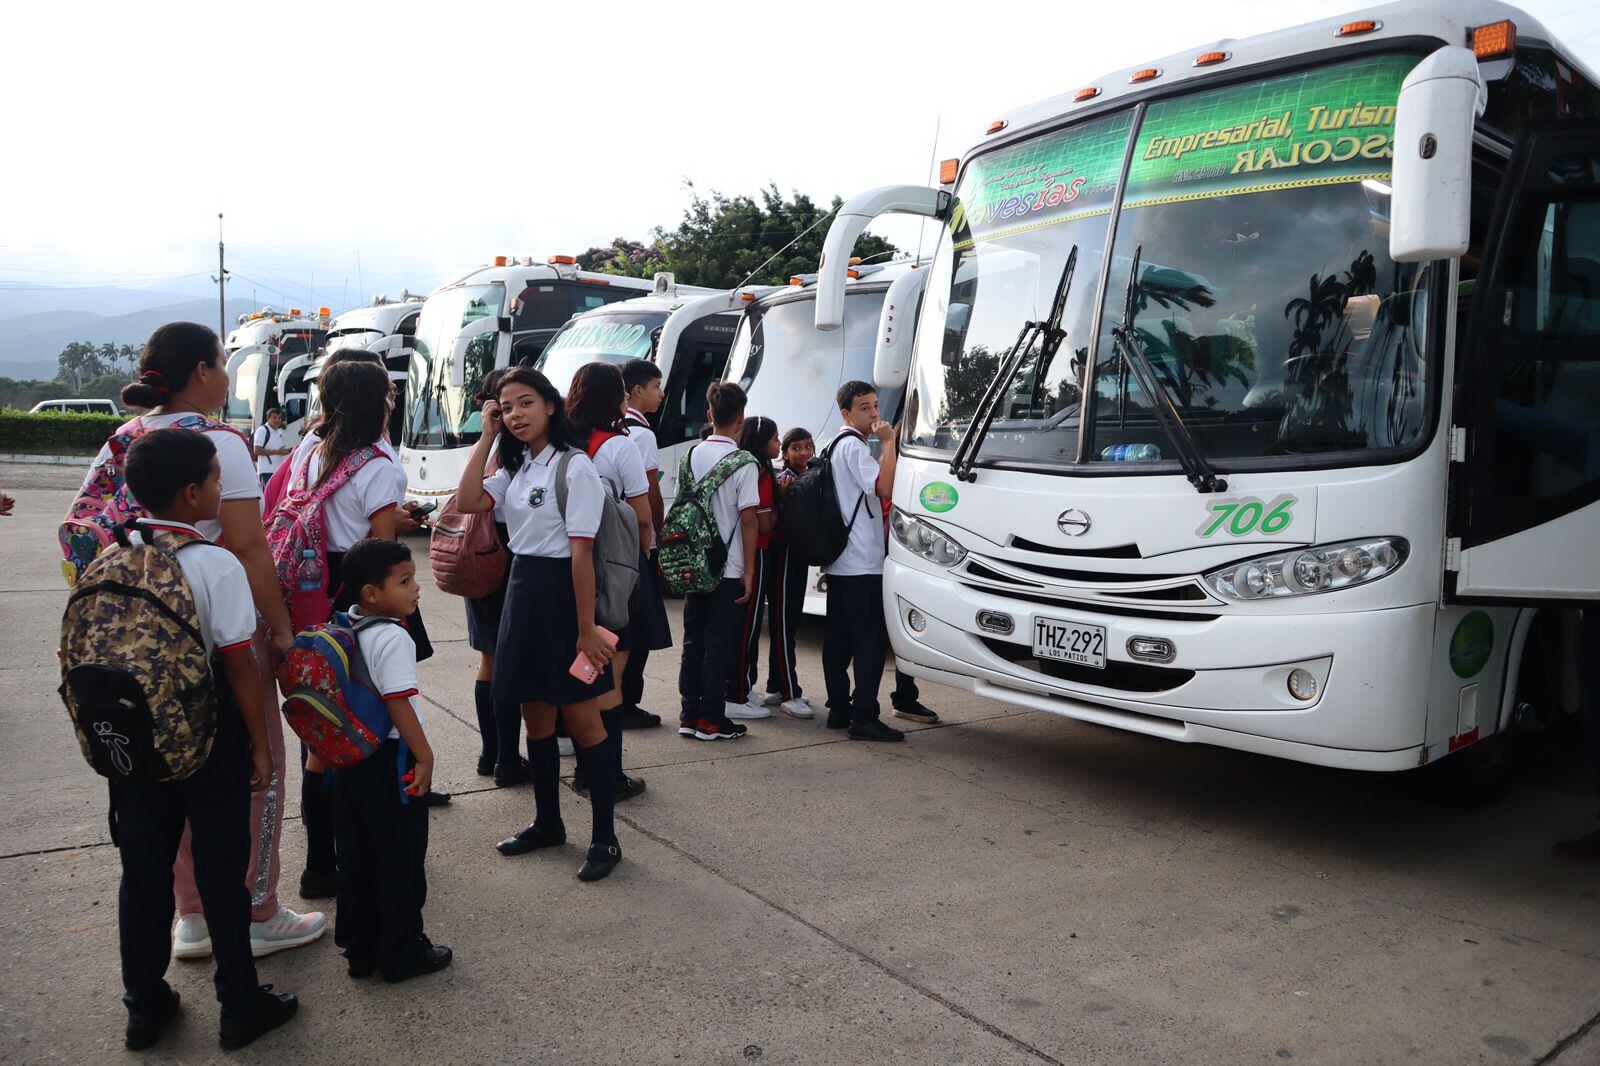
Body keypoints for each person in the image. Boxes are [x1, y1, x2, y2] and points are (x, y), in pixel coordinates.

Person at [97, 323, 324, 962]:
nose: (226, 379)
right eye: (223, 365)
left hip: (143, 639)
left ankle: (190, 915)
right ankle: (257, 910)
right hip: (219, 629)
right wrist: (281, 635)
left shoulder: (124, 436)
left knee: (170, 765)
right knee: (258, 770)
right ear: (203, 371)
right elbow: (249, 547)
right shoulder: (217, 440)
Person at [114, 428, 299, 1050]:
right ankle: (240, 1004)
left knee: (143, 873)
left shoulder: (115, 555)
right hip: (206, 740)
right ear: (193, 493)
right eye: (218, 481)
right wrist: (262, 746)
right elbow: (241, 663)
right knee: (224, 874)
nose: (224, 491)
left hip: (136, 747)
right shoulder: (212, 561)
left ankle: (144, 1004)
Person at [275, 358, 440, 903]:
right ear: (381, 402)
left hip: (308, 589)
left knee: (319, 720)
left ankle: (319, 862)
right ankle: (365, 841)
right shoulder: (381, 465)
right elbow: (379, 551)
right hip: (356, 594)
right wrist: (409, 520)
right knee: (369, 712)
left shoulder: (311, 447)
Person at [454, 367, 625, 882]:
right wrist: (486, 439)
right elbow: (466, 501)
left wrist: (586, 629)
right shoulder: (517, 467)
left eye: (525, 403)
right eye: (506, 409)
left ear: (551, 405)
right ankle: (548, 822)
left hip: (563, 600)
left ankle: (605, 838)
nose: (515, 415)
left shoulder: (575, 468)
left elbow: (581, 556)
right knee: (536, 718)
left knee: (584, 721)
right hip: (521, 597)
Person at [330, 538, 452, 981]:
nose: (416, 589)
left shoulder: (345, 628)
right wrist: (424, 756)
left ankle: (361, 950)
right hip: (390, 760)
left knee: (357, 856)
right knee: (399, 858)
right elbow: (399, 702)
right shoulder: (393, 637)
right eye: (404, 581)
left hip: (350, 762)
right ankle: (403, 952)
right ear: (371, 594)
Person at [565, 362, 652, 800]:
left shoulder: (562, 444)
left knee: (583, 672)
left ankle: (585, 767)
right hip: (617, 569)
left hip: (570, 567)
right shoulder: (621, 446)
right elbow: (642, 514)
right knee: (611, 675)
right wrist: (645, 555)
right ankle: (607, 775)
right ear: (617, 396)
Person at [821, 381, 906, 742]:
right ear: (846, 413)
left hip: (841, 561)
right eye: (865, 408)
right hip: (862, 561)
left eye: (875, 406)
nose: (874, 413)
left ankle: (839, 709)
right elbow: (884, 488)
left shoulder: (832, 445)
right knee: (869, 642)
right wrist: (888, 443)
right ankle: (864, 716)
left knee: (838, 640)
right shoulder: (854, 447)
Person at [677, 382, 761, 742]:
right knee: (718, 643)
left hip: (692, 563)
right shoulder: (745, 463)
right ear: (741, 419)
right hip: (728, 568)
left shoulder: (689, 456)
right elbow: (749, 519)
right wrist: (751, 571)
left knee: (693, 639)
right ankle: (712, 719)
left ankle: (689, 713)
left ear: (709, 415)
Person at [461, 368, 529, 787]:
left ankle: (493, 753)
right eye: (510, 405)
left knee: (489, 657)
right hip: (505, 550)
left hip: (479, 552)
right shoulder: (513, 449)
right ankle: (505, 756)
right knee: (507, 660)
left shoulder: (484, 445)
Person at [618, 358, 671, 730]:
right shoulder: (643, 434)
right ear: (637, 391)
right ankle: (625, 702)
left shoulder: (611, 429)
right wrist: (658, 535)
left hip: (608, 539)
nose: (661, 393)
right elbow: (651, 493)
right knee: (637, 628)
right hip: (636, 540)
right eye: (656, 386)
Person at [726, 416, 780, 720]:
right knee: (747, 626)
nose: (779, 445)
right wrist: (780, 509)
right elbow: (761, 520)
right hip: (754, 551)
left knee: (747, 626)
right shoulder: (758, 471)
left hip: (749, 551)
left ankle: (744, 686)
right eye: (775, 440)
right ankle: (736, 692)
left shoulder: (751, 465)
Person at [762, 427, 815, 719]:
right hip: (782, 557)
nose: (804, 453)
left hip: (797, 557)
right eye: (796, 448)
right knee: (783, 625)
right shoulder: (785, 480)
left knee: (790, 622)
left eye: (808, 447)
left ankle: (775, 684)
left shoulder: (806, 476)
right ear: (785, 453)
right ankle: (789, 691)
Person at [251, 408, 291, 488]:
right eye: (274, 417)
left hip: (278, 470)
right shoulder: (262, 430)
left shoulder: (279, 431)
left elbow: (281, 450)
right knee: (268, 497)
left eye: (279, 418)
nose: (277, 420)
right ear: (268, 418)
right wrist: (278, 452)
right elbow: (257, 450)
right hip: (267, 471)